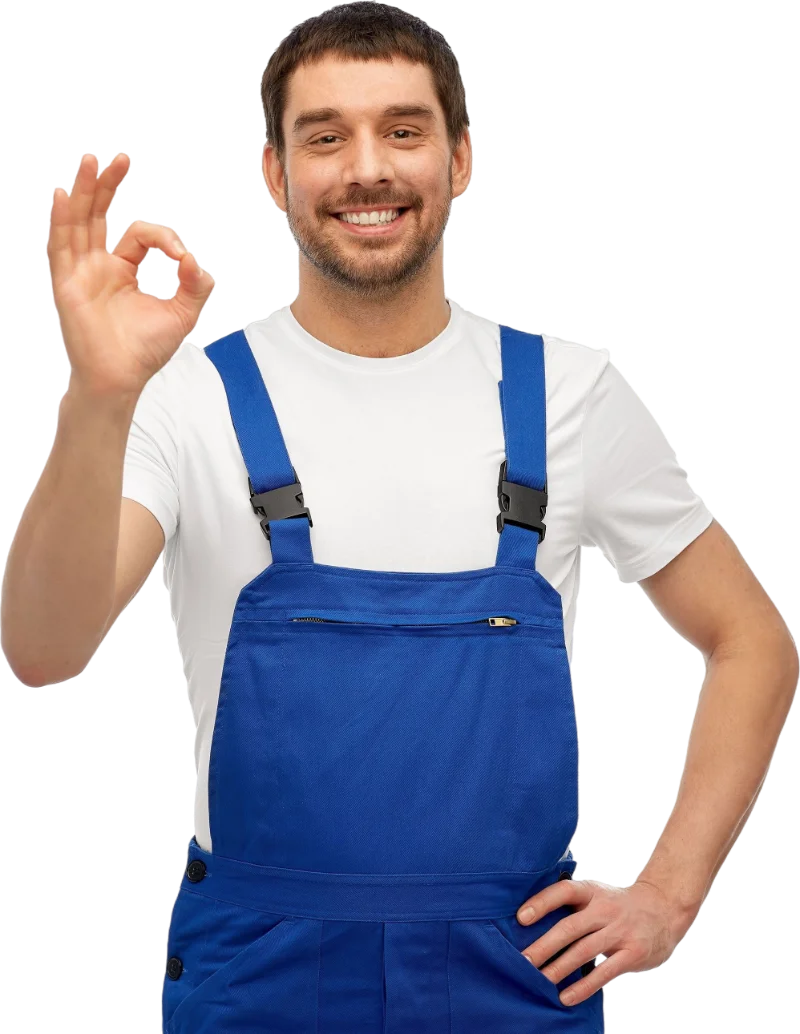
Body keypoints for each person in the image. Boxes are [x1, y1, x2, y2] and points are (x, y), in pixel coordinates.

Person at [7, 3, 796, 1032]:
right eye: (324, 136)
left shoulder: (570, 390)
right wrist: (98, 395)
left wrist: (666, 896)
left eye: (403, 130)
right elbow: (43, 649)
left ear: (462, 159)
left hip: (517, 968)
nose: (366, 168)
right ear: (274, 175)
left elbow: (751, 640)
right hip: (257, 972)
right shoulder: (185, 395)